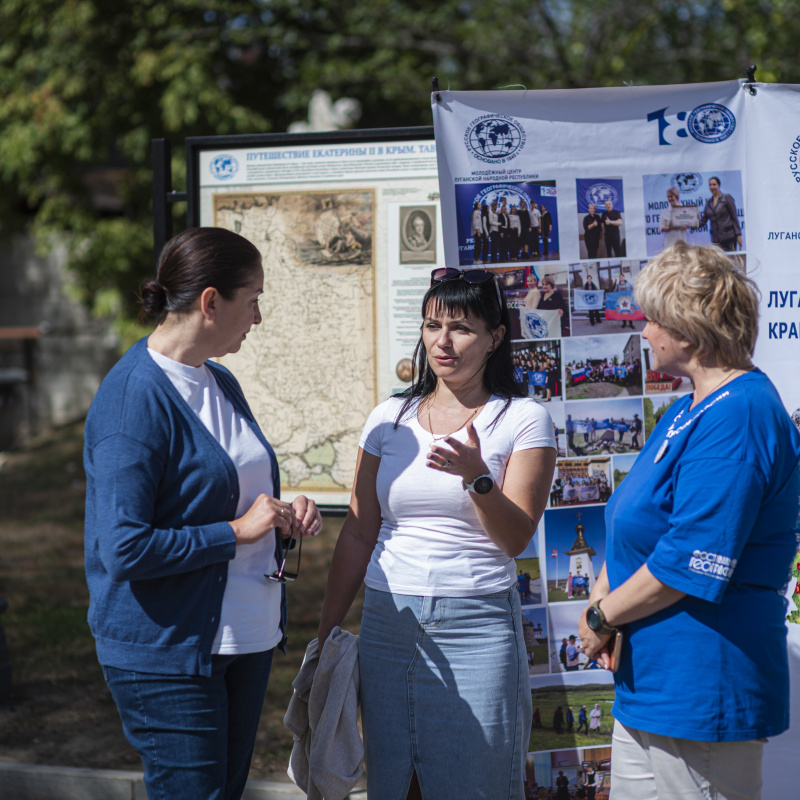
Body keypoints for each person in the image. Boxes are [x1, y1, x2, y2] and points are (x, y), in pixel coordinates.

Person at [83, 228, 322, 800]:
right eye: (254, 299)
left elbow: (223, 494)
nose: (258, 319)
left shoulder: (219, 381)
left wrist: (281, 514)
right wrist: (238, 532)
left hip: (244, 640)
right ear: (211, 302)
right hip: (168, 651)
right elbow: (124, 548)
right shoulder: (132, 398)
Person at [317, 266, 557, 799]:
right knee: (398, 780)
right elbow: (358, 533)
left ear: (495, 337)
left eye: (461, 328)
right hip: (388, 620)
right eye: (431, 326)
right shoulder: (388, 417)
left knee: (480, 780)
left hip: (477, 622)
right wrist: (327, 631)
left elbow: (516, 540)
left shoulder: (522, 418)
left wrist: (477, 479)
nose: (442, 342)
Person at [578, 241, 800, 800]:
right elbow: (633, 522)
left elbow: (690, 559)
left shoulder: (742, 412)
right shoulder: (685, 408)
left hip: (703, 685)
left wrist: (603, 615)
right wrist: (601, 601)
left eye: (653, 319)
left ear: (690, 331)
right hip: (651, 683)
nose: (645, 331)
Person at [696, 176, 742, 251]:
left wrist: (738, 235)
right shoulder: (708, 202)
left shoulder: (726, 197)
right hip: (716, 241)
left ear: (719, 186)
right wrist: (692, 223)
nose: (712, 187)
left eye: (714, 184)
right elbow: (703, 221)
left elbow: (734, 217)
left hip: (729, 237)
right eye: (710, 185)